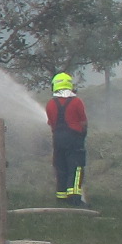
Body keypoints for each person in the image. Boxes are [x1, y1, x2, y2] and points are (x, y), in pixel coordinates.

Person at [46, 71, 90, 207]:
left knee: (61, 167)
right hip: (74, 139)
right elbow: (83, 122)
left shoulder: (50, 104)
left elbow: (51, 123)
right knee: (76, 168)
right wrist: (83, 134)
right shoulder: (77, 102)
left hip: (58, 139)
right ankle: (74, 199)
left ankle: (61, 197)